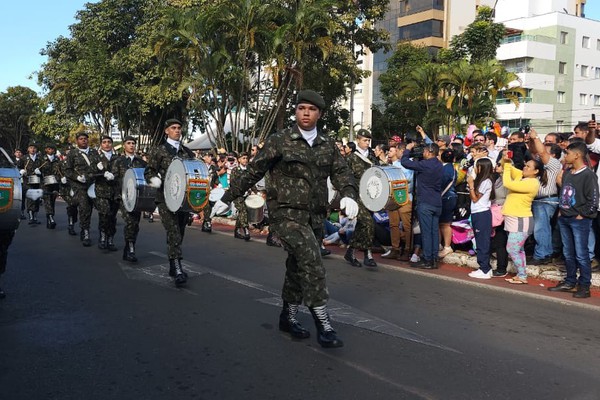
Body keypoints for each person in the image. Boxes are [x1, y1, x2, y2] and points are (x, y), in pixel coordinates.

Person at [214, 90, 359, 348]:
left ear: (320, 114)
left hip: (314, 217)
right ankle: (324, 324)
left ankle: (288, 316)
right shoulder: (279, 141)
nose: (305, 112)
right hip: (286, 215)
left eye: (311, 109)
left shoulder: (328, 144)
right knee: (312, 261)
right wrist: (226, 197)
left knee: (297, 266)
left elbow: (343, 174)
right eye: (301, 107)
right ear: (295, 111)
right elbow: (253, 170)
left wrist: (348, 194)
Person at [145, 119, 195, 287]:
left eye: (179, 128)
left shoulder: (187, 152)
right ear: (166, 131)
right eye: (173, 128)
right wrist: (154, 180)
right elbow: (149, 171)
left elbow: (192, 175)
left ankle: (173, 265)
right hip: (165, 198)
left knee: (179, 232)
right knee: (173, 231)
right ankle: (177, 266)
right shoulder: (158, 150)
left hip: (182, 199)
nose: (177, 130)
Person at [548, 142, 598, 298]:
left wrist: (581, 215)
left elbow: (593, 200)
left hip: (579, 220)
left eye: (568, 153)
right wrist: (561, 212)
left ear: (577, 155)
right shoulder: (568, 172)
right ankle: (570, 281)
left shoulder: (588, 175)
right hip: (565, 218)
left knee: (581, 254)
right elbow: (564, 193)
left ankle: (584, 285)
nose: (565, 156)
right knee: (568, 252)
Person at [501, 154, 544, 284]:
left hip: (521, 220)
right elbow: (506, 167)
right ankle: (521, 275)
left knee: (512, 249)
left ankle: (522, 275)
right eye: (525, 165)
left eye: (528, 166)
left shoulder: (532, 183)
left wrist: (508, 165)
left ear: (536, 171)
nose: (525, 167)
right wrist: (505, 159)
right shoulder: (522, 177)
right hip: (513, 219)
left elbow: (507, 182)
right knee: (519, 250)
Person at [401, 141, 443, 269]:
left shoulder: (425, 164)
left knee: (426, 232)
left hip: (426, 202)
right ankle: (434, 258)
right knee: (434, 232)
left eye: (424, 151)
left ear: (430, 152)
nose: (423, 153)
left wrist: (407, 150)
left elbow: (405, 162)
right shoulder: (439, 164)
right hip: (437, 202)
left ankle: (427, 259)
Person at [344, 128, 379, 268]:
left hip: (370, 195)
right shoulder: (351, 158)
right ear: (358, 140)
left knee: (363, 225)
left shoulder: (372, 157)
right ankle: (367, 253)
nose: (367, 143)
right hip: (357, 195)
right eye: (365, 140)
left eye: (368, 140)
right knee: (368, 223)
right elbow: (345, 178)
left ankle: (351, 251)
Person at [527, 129, 562, 264]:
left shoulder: (554, 163)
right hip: (538, 200)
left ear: (552, 154)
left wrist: (536, 138)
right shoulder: (541, 164)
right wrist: (531, 140)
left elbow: (541, 153)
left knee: (541, 228)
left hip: (546, 200)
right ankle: (544, 252)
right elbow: (535, 151)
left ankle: (542, 255)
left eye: (545, 151)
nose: (540, 154)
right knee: (541, 228)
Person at [113, 136, 146, 262]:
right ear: (124, 145)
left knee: (135, 223)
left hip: (137, 197)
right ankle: (131, 248)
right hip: (123, 196)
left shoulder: (141, 162)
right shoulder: (119, 161)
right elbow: (115, 177)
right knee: (130, 221)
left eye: (133, 143)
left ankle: (128, 247)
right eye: (129, 143)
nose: (131, 145)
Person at [65, 132, 101, 247]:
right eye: (81, 139)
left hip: (93, 184)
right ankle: (85, 232)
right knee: (84, 207)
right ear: (77, 141)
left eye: (85, 139)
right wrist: (77, 177)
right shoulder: (72, 153)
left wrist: (101, 167)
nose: (84, 141)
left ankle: (102, 233)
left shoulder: (94, 152)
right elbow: (68, 170)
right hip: (79, 186)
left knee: (93, 208)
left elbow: (99, 167)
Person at [381, 145, 413, 261]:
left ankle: (408, 249)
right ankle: (395, 249)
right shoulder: (391, 166)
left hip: (405, 198)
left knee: (406, 226)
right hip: (392, 199)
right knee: (393, 224)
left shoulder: (408, 165)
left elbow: (409, 182)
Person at [466, 158, 495, 279]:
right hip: (477, 213)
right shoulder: (482, 181)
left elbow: (475, 198)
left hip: (482, 214)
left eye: (477, 166)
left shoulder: (486, 181)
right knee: (479, 241)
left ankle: (485, 269)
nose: (475, 169)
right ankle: (483, 267)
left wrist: (471, 185)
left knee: (482, 242)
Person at [94, 136, 119, 251]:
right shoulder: (96, 158)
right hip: (102, 191)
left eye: (109, 142)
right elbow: (90, 174)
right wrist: (100, 173)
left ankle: (110, 239)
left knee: (112, 217)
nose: (107, 144)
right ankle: (103, 237)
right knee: (104, 214)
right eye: (104, 142)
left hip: (115, 192)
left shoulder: (117, 158)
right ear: (101, 145)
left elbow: (122, 172)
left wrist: (115, 176)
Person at [438, 148, 457, 259]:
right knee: (442, 223)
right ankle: (441, 245)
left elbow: (441, 183)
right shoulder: (452, 168)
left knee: (445, 224)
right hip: (449, 197)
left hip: (446, 198)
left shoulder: (445, 169)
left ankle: (446, 246)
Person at [18, 143, 43, 225]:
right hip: (27, 181)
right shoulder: (24, 158)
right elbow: (18, 167)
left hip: (37, 181)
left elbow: (45, 169)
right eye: (31, 148)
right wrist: (21, 171)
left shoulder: (40, 158)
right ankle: (31, 217)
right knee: (30, 198)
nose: (33, 149)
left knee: (36, 199)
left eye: (34, 148)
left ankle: (35, 216)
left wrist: (40, 172)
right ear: (28, 149)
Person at [230, 151, 251, 241]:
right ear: (239, 159)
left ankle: (237, 231)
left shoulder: (249, 171)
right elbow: (233, 183)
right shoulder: (235, 170)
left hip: (247, 195)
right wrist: (241, 191)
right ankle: (246, 229)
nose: (245, 160)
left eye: (246, 158)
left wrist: (254, 191)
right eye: (243, 158)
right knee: (243, 210)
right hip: (237, 195)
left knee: (242, 213)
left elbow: (252, 182)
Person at [39, 144, 61, 229]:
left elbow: (60, 169)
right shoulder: (41, 159)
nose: (51, 150)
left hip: (55, 182)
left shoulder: (57, 159)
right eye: (49, 149)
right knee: (47, 199)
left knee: (52, 201)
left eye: (52, 149)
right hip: (45, 182)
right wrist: (38, 171)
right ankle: (51, 217)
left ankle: (49, 218)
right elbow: (36, 168)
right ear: (46, 150)